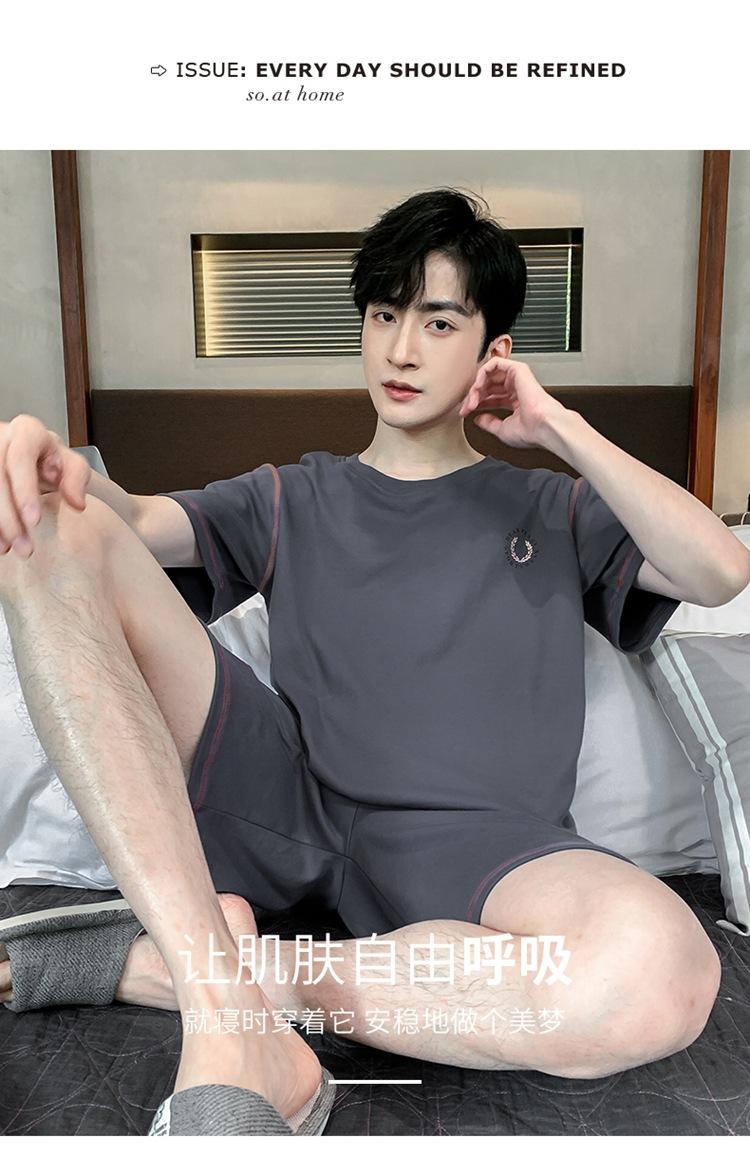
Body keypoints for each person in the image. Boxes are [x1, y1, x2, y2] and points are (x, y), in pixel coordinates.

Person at [0, 188, 745, 1136]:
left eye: (439, 322)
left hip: (484, 850)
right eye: (385, 315)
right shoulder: (291, 496)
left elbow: (720, 571)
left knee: (660, 975)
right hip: (282, 808)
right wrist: (52, 472)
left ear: (494, 351)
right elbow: (134, 523)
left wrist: (558, 427)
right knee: (45, 531)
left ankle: (200, 971)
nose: (400, 350)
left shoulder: (554, 511)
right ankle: (229, 1005)